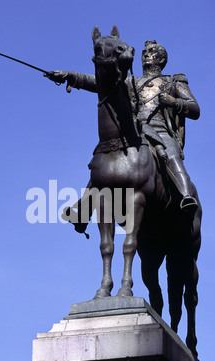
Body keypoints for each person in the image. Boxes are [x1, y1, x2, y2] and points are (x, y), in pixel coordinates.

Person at [45, 39, 200, 233]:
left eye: (151, 52)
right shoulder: (130, 81)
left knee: (171, 154)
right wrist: (70, 75)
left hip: (160, 131)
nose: (145, 55)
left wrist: (172, 102)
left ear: (161, 58)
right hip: (136, 130)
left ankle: (186, 196)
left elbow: (194, 109)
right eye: (144, 52)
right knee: (106, 161)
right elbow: (98, 82)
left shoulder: (173, 82)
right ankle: (83, 209)